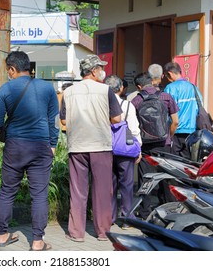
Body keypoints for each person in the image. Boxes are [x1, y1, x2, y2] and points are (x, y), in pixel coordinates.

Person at [0, 51, 59, 251]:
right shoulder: (48, 88)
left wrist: (2, 129)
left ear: (13, 69)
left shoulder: (5, 89)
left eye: (8, 71)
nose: (8, 74)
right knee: (39, 194)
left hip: (15, 146)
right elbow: (54, 120)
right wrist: (53, 144)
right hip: (41, 146)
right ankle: (38, 241)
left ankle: (3, 235)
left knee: (7, 190)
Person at [60, 55, 122, 242]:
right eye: (100, 68)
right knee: (103, 190)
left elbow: (63, 121)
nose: (103, 71)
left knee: (78, 190)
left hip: (77, 145)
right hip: (100, 146)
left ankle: (76, 233)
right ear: (94, 71)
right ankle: (103, 232)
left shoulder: (69, 92)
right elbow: (117, 119)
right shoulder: (106, 90)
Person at [131, 72, 179, 219]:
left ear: (139, 86)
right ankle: (169, 210)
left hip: (145, 146)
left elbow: (132, 124)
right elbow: (175, 121)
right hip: (165, 144)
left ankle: (145, 212)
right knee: (166, 176)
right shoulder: (166, 97)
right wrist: (168, 136)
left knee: (146, 178)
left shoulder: (136, 101)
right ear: (152, 82)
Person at [105, 75, 142, 227]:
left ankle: (110, 218)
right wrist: (138, 148)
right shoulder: (127, 106)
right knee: (127, 184)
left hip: (106, 148)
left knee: (109, 185)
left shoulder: (101, 104)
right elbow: (134, 129)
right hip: (125, 149)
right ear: (121, 88)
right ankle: (127, 217)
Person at [163, 61, 202, 160]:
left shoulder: (170, 88)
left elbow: (165, 110)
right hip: (192, 132)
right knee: (188, 163)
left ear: (170, 74)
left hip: (176, 131)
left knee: (173, 162)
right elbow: (199, 107)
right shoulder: (194, 87)